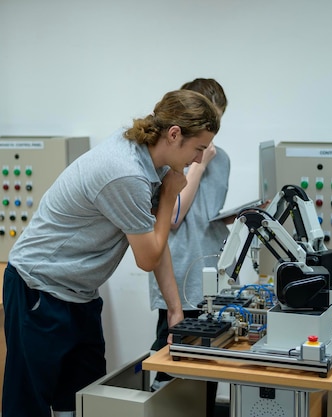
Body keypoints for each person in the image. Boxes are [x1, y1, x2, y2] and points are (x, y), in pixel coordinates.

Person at [1, 89, 221, 417]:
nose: (199, 159)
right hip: (39, 287)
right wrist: (169, 196)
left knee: (84, 401)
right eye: (199, 148)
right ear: (174, 134)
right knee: (28, 405)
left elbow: (156, 244)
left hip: (80, 293)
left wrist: (175, 311)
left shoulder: (153, 161)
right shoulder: (126, 172)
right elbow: (147, 258)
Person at [148, 79, 230, 398]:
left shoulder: (223, 160)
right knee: (171, 370)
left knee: (208, 370)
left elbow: (206, 212)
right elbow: (173, 216)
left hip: (211, 271)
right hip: (180, 275)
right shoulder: (171, 159)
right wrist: (200, 164)